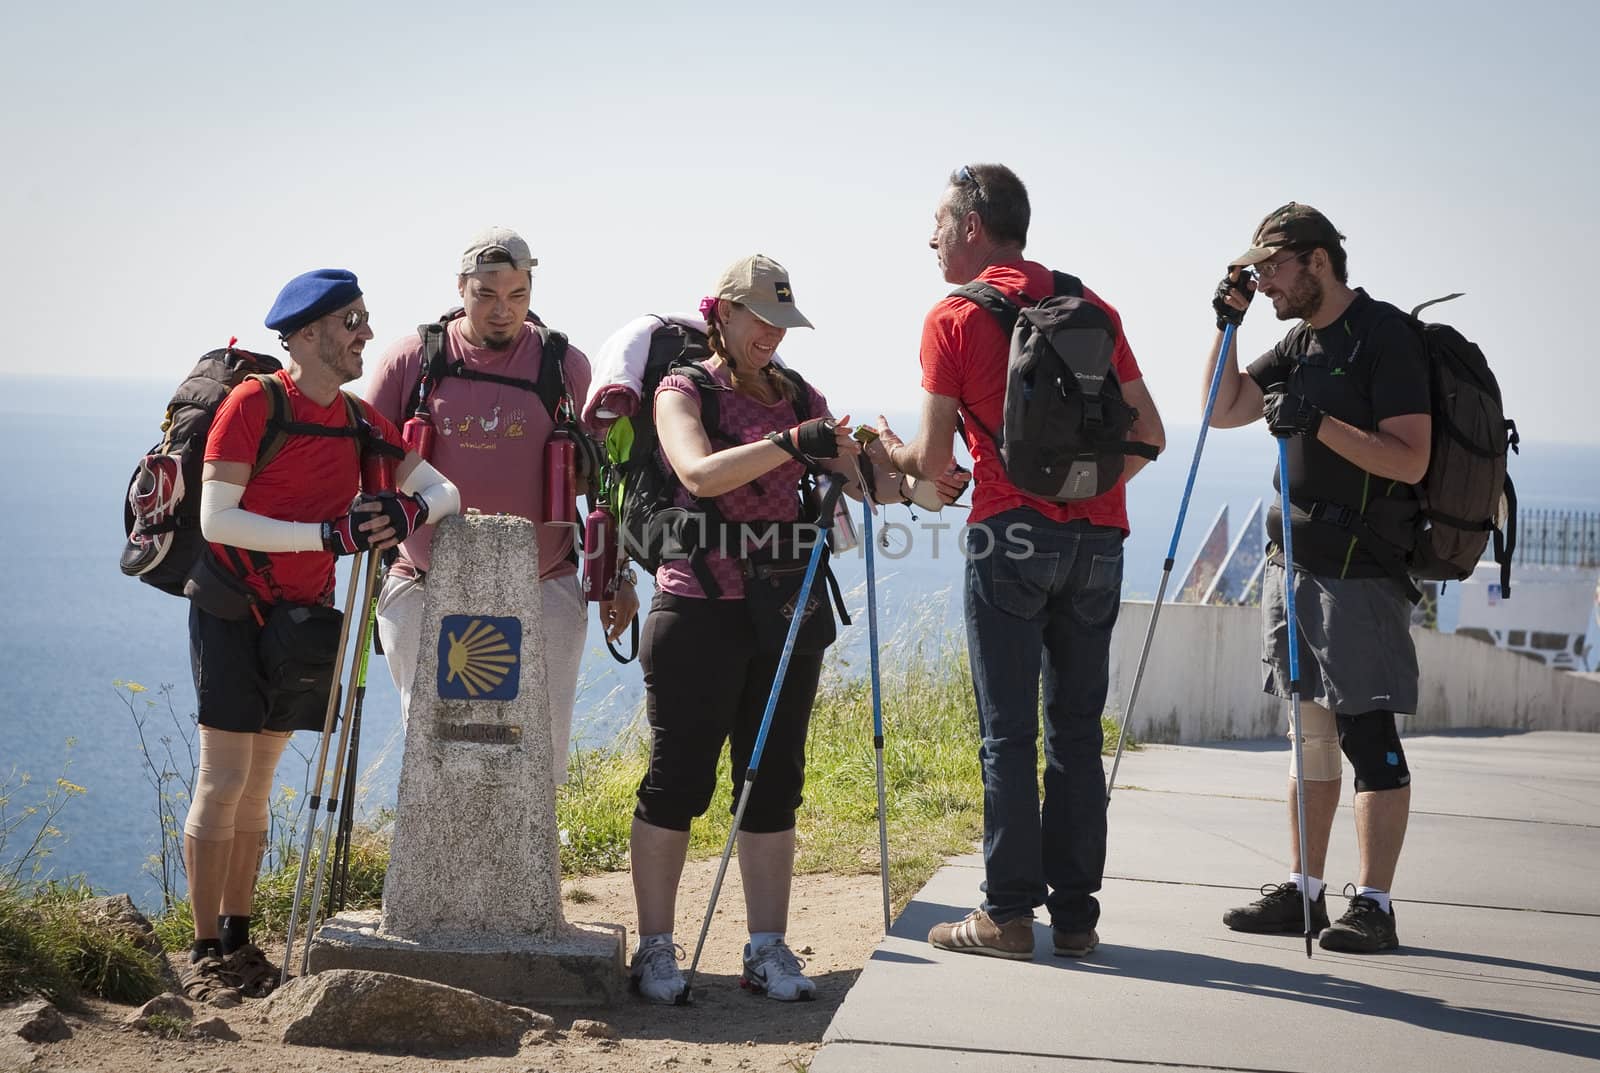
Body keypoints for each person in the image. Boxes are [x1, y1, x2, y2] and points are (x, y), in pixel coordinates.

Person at [877, 163, 1165, 961]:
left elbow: (933, 461)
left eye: (938, 221)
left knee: (1008, 735)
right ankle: (1075, 920)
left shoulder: (952, 318)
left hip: (1009, 536)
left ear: (973, 225)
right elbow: (1150, 433)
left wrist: (885, 450)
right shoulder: (1091, 304)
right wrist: (1084, 494)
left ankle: (1006, 916)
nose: (930, 236)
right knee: (1074, 732)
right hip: (1100, 541)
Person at [184, 269, 460, 1001]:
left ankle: (241, 939)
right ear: (306, 333)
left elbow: (446, 491)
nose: (365, 332)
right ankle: (203, 947)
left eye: (365, 319)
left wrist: (407, 515)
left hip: (301, 619)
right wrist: (327, 534)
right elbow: (217, 518)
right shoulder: (255, 402)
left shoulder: (357, 418)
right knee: (223, 781)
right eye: (351, 321)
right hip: (231, 609)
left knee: (258, 787)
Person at [626, 254, 862, 1005]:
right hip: (697, 604)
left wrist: (909, 472)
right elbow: (697, 473)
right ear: (721, 314)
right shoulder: (681, 388)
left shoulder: (798, 393)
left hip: (784, 611)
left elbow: (864, 476)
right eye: (759, 318)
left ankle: (766, 950)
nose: (771, 334)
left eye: (782, 322)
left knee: (774, 784)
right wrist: (797, 443)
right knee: (678, 779)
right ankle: (657, 952)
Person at [1206, 203, 1431, 953]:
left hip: (1359, 572)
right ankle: (1305, 891)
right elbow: (1222, 408)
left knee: (1370, 737)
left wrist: (1318, 422)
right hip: (1293, 570)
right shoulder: (1299, 342)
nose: (1263, 281)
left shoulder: (1384, 336)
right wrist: (1228, 325)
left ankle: (1374, 903)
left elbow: (1409, 458)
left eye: (1271, 268)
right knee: (1310, 737)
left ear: (1318, 261)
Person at [365, 227, 638, 784]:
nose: (501, 311)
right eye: (486, 295)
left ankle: (522, 871)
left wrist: (618, 575)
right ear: (460, 288)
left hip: (543, 584)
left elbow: (611, 476)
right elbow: (361, 459)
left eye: (516, 296)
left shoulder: (565, 366)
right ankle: (442, 871)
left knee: (534, 760)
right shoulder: (414, 360)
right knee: (437, 759)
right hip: (423, 584)